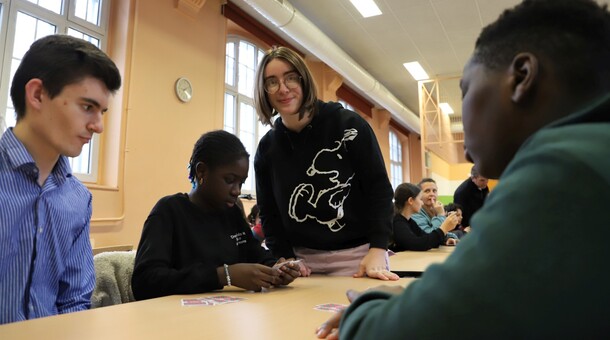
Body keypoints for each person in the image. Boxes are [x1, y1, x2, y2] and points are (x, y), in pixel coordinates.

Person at [316, 0, 610, 337]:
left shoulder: (564, 172)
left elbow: (410, 332)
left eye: (466, 89)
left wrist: (370, 306)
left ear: (522, 77)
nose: (463, 116)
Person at [0, 34, 121, 324]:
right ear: (38, 94)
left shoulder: (78, 199)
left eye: (102, 112)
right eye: (87, 107)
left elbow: (74, 301)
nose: (99, 126)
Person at [253, 46, 398, 280]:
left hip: (358, 257)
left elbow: (378, 190)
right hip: (300, 262)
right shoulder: (267, 148)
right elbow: (269, 212)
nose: (283, 88)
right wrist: (284, 256)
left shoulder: (349, 125)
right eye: (271, 82)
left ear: (304, 80)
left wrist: (379, 248)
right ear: (264, 91)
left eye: (291, 78)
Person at [131, 130, 300, 300]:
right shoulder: (169, 211)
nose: (237, 191)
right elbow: (145, 282)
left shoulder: (232, 213)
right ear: (202, 172)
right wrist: (223, 276)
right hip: (177, 318)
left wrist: (277, 269)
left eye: (241, 182)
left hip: (226, 315)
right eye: (229, 180)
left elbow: (255, 254)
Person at [391, 183, 458, 252]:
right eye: (420, 199)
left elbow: (426, 237)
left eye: (434, 191)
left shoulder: (409, 221)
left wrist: (445, 240)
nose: (422, 203)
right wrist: (443, 228)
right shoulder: (397, 222)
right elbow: (419, 244)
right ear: (410, 201)